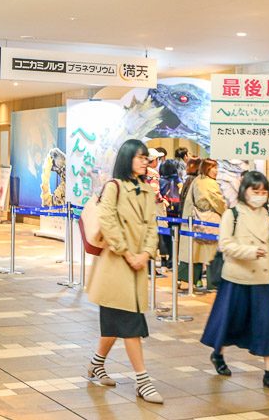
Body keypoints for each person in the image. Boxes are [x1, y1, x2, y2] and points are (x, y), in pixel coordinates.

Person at [85, 139, 163, 404]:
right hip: (116, 267)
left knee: (115, 325)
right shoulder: (114, 187)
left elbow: (152, 226)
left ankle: (96, 364)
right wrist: (128, 253)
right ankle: (143, 380)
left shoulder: (147, 190)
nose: (145, 161)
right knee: (131, 326)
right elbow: (107, 221)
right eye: (140, 157)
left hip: (136, 267)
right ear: (127, 158)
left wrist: (146, 253)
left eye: (146, 158)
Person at [201, 171, 269, 394]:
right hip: (236, 277)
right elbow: (224, 245)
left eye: (264, 191)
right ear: (245, 190)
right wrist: (250, 251)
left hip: (262, 279)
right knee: (230, 322)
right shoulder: (232, 214)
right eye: (255, 191)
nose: (260, 195)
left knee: (268, 326)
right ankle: (218, 353)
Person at [190, 159, 226, 293]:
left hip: (198, 218)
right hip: (212, 218)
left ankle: (195, 279)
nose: (216, 171)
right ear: (207, 168)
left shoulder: (197, 180)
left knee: (197, 251)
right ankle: (213, 282)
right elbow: (218, 202)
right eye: (213, 168)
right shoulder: (210, 184)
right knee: (213, 251)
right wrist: (226, 212)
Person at [177, 157, 202, 285]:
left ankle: (186, 279)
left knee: (187, 251)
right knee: (193, 252)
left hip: (185, 220)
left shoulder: (188, 180)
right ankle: (192, 279)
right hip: (192, 221)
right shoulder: (196, 181)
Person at [158, 159, 182, 270]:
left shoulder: (160, 181)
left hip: (165, 211)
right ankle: (173, 259)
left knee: (165, 236)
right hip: (176, 212)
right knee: (176, 235)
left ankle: (164, 260)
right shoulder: (178, 180)